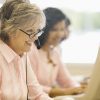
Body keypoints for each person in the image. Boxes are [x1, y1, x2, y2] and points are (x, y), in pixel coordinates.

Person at [0, 1, 53, 100]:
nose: (35, 38)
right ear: (11, 30)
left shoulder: (22, 55)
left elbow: (37, 95)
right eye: (29, 31)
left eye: (37, 31)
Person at [29, 7, 85, 98]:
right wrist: (63, 92)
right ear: (43, 30)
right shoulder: (31, 50)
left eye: (62, 29)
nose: (60, 34)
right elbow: (30, 86)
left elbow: (67, 81)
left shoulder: (55, 52)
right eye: (54, 29)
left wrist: (79, 89)